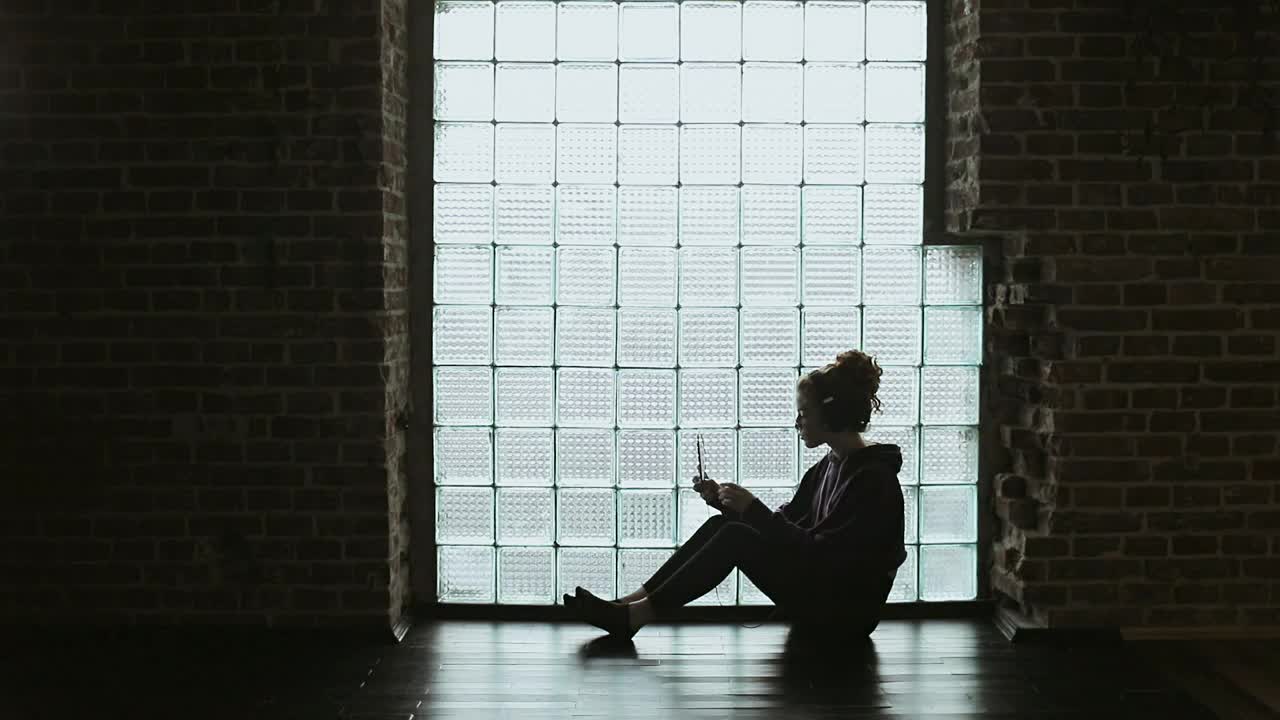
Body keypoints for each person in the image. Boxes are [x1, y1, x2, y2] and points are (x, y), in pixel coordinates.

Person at [567, 349, 907, 640]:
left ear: (830, 413)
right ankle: (628, 605)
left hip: (845, 615)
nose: (797, 422)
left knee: (734, 537)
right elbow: (789, 528)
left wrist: (753, 510)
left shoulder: (872, 479)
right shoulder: (830, 465)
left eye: (804, 412)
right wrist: (728, 505)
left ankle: (633, 616)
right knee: (724, 526)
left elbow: (821, 554)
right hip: (825, 595)